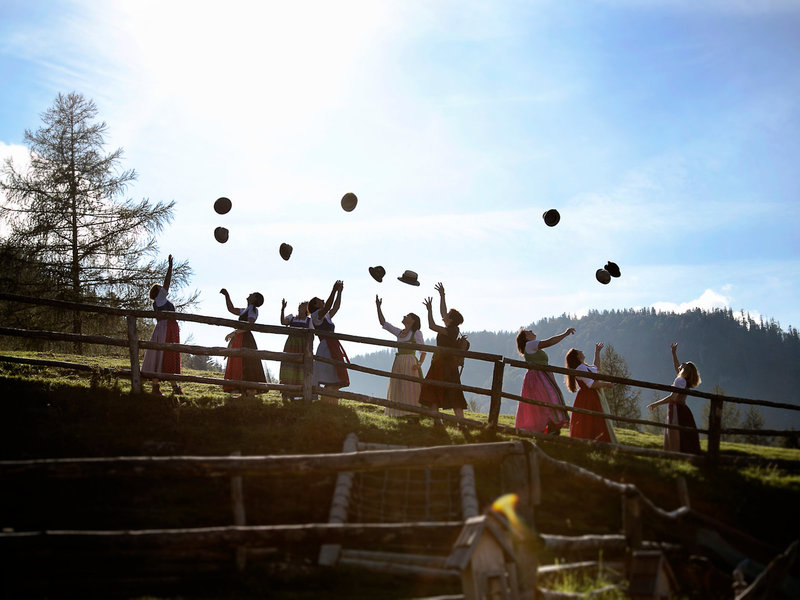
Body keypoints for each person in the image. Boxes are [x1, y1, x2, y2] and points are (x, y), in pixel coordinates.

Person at [418, 282, 467, 425]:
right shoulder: (452, 328)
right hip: (443, 364)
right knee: (439, 391)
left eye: (447, 316)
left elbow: (432, 326)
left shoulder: (452, 330)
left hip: (444, 364)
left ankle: (457, 423)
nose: (444, 316)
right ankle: (442, 422)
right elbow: (443, 311)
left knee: (446, 392)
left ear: (451, 319)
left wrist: (429, 310)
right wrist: (442, 295)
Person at [515, 327, 575, 434]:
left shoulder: (530, 346)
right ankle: (552, 427)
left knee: (549, 399)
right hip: (539, 376)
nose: (532, 331)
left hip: (541, 375)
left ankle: (551, 427)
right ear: (526, 337)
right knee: (551, 398)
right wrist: (565, 334)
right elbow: (549, 342)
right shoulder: (530, 344)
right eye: (529, 332)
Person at [375, 295, 427, 418]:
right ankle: (399, 412)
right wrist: (378, 307)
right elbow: (384, 323)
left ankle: (413, 412)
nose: (405, 316)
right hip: (399, 361)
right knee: (398, 385)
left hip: (409, 361)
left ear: (413, 320)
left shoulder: (416, 333)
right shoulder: (399, 332)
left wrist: (419, 363)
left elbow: (423, 350)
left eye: (408, 315)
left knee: (410, 386)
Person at [647, 342, 702, 454]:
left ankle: (674, 452)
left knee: (675, 432)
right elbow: (676, 365)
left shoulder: (680, 380)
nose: (680, 364)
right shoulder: (684, 380)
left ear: (684, 370)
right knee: (684, 434)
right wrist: (673, 353)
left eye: (683, 365)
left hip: (676, 410)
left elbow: (672, 397)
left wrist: (655, 404)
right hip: (683, 409)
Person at [141, 254, 182, 395]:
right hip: (165, 329)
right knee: (164, 354)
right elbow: (167, 282)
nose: (162, 287)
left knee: (164, 355)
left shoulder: (160, 301)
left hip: (166, 328)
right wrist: (170, 267)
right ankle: (171, 387)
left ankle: (164, 386)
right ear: (157, 291)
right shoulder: (159, 299)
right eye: (159, 286)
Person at [565, 343, 617, 443]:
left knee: (593, 418)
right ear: (577, 356)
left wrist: (597, 352)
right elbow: (591, 384)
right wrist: (607, 384)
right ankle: (597, 440)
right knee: (592, 419)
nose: (582, 352)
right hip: (589, 397)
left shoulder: (583, 366)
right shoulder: (580, 368)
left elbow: (596, 367)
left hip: (592, 395)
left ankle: (595, 441)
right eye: (579, 351)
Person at [220, 288, 266, 397]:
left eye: (253, 294)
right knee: (238, 361)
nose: (250, 294)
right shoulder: (246, 309)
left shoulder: (253, 310)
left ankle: (249, 389)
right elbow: (231, 309)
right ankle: (240, 388)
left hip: (245, 338)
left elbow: (249, 326)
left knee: (247, 362)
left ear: (254, 299)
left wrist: (233, 333)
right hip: (240, 337)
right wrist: (227, 295)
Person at [310, 280, 349, 405]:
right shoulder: (316, 315)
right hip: (326, 347)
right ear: (315, 305)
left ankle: (333, 404)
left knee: (335, 376)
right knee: (329, 377)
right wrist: (333, 290)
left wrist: (339, 292)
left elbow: (335, 307)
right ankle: (327, 404)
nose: (322, 300)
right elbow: (328, 306)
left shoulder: (326, 315)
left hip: (333, 345)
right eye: (319, 300)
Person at [279, 299, 313, 402]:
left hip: (302, 346)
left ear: (307, 309)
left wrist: (309, 348)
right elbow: (283, 322)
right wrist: (282, 309)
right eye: (300, 305)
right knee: (288, 366)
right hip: (291, 345)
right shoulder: (291, 317)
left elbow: (311, 335)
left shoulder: (309, 321)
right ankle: (285, 392)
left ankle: (297, 394)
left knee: (300, 369)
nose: (300, 307)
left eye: (303, 306)